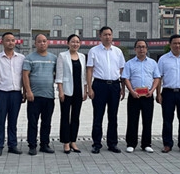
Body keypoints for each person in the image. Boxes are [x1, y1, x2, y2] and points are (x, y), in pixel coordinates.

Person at [87, 26, 126, 154]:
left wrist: (122, 88)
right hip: (99, 85)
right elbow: (89, 70)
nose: (107, 37)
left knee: (113, 116)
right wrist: (89, 88)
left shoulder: (118, 52)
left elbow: (122, 70)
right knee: (98, 115)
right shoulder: (93, 51)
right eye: (105, 34)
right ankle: (96, 144)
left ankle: (112, 143)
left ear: (112, 36)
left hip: (114, 85)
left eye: (109, 34)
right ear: (100, 36)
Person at [0, 32, 25, 156]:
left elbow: (24, 76)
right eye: (8, 40)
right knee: (0, 121)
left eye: (13, 40)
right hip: (2, 93)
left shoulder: (21, 58)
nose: (11, 42)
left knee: (13, 121)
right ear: (2, 42)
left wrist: (24, 92)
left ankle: (12, 145)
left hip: (16, 93)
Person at [122, 40, 161, 153]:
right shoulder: (129, 63)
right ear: (135, 49)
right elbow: (126, 78)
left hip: (148, 95)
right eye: (139, 47)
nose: (141, 49)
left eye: (143, 47)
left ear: (147, 49)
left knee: (147, 120)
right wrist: (131, 91)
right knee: (132, 120)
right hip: (134, 95)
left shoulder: (153, 63)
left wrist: (152, 91)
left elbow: (157, 78)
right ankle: (131, 143)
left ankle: (146, 144)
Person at [22, 34, 58, 155]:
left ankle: (45, 144)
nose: (42, 43)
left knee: (46, 122)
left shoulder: (54, 58)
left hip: (49, 96)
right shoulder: (29, 58)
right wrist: (28, 91)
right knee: (33, 122)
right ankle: (32, 145)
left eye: (44, 41)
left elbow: (59, 75)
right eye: (39, 41)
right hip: (34, 96)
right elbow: (25, 75)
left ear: (47, 43)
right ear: (35, 43)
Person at [55, 34, 87, 154]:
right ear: (68, 43)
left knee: (75, 116)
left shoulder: (82, 56)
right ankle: (66, 142)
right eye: (73, 42)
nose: (75, 44)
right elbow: (59, 75)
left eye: (77, 42)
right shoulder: (62, 56)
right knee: (65, 116)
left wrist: (85, 90)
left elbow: (84, 75)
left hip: (79, 90)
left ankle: (73, 141)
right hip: (66, 90)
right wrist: (60, 91)